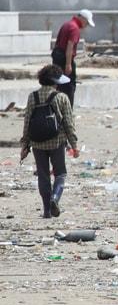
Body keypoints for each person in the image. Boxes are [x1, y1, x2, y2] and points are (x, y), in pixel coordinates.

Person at [19, 65, 80, 219]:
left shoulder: (33, 97)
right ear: (55, 82)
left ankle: (47, 210)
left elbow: (27, 122)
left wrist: (25, 144)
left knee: (43, 175)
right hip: (57, 142)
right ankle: (55, 198)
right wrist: (74, 145)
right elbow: (68, 124)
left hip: (37, 143)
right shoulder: (61, 97)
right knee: (60, 174)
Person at [52, 9, 93, 106]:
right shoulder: (75, 28)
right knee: (69, 86)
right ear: (83, 19)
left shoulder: (67, 24)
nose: (86, 25)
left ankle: (58, 107)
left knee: (59, 84)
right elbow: (70, 46)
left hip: (57, 56)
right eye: (87, 23)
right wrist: (68, 64)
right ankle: (67, 109)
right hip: (64, 58)